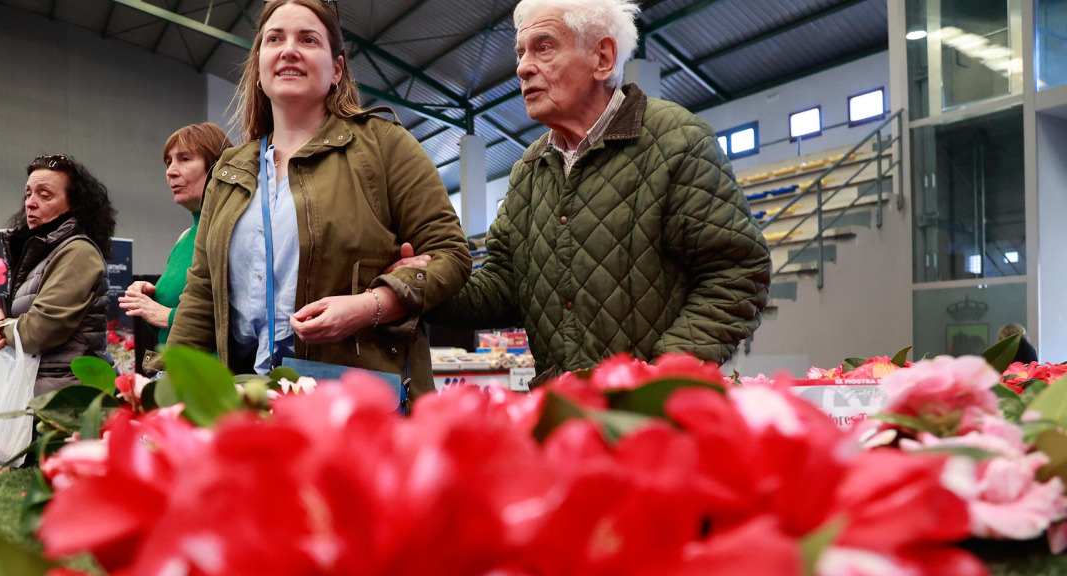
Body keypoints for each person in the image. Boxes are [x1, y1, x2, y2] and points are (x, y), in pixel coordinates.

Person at [395, 0, 771, 386]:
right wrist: (423, 283)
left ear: (603, 58)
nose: (523, 67)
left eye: (543, 47)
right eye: (521, 52)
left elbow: (738, 272)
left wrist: (661, 378)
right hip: (565, 414)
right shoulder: (531, 167)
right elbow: (502, 287)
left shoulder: (677, 142)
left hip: (654, 416)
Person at [164, 0, 471, 400]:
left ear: (336, 70)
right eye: (275, 39)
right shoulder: (229, 170)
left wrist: (371, 304)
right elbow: (202, 292)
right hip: (244, 402)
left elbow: (451, 254)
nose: (289, 49)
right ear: (260, 66)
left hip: (354, 404)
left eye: (308, 39)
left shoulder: (383, 146)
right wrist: (166, 393)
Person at [0, 154, 117, 396]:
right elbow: (24, 331)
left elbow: (38, 331)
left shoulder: (78, 251)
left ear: (74, 205)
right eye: (28, 193)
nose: (30, 202)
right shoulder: (42, 252)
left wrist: (1, 326)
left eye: (45, 195)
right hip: (44, 393)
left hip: (71, 400)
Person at [119, 123, 232, 349]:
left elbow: (238, 320)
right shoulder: (185, 237)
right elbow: (163, 328)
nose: (170, 171)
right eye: (168, 162)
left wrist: (167, 316)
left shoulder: (233, 231)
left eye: (185, 159)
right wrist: (146, 303)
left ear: (216, 166)